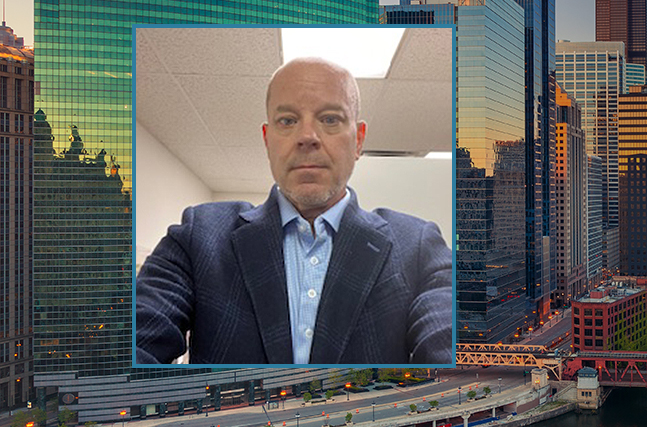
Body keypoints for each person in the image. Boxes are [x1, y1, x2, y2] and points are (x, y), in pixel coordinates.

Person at [135, 57, 453, 365]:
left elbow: (455, 345)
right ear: (267, 140)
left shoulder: (418, 247)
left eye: (330, 119)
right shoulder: (197, 237)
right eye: (288, 121)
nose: (307, 137)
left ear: (358, 140)